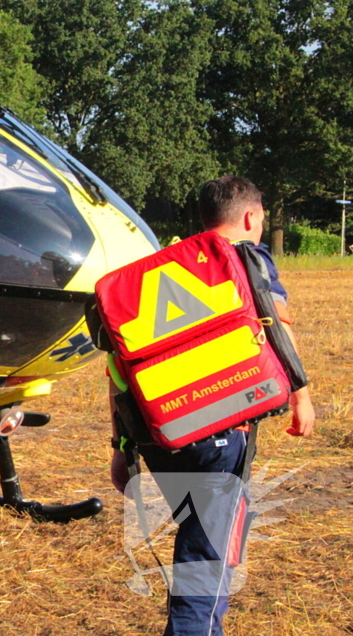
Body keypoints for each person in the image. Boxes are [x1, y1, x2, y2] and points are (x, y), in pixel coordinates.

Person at [109, 176, 315, 636]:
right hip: (219, 437)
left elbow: (118, 366)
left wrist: (122, 445)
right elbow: (275, 323)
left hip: (160, 436)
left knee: (206, 536)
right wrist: (300, 394)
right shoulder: (245, 258)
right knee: (208, 556)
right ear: (249, 217)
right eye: (261, 219)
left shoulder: (155, 270)